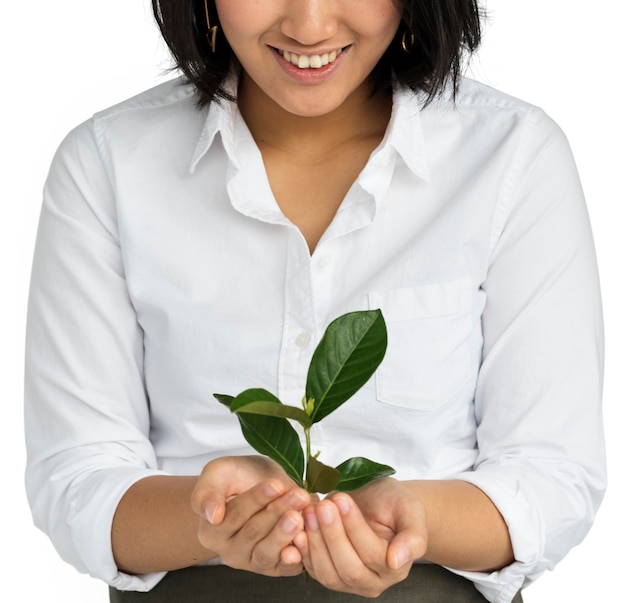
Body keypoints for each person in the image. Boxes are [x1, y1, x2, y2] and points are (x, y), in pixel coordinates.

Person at [24, 1, 606, 602]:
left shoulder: (511, 157)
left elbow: (552, 476)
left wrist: (416, 519)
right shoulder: (107, 163)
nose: (310, 25)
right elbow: (75, 477)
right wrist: (211, 519)